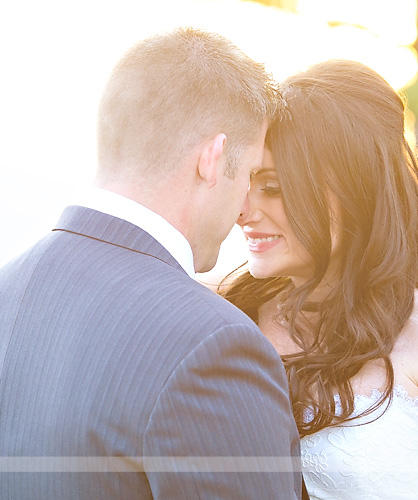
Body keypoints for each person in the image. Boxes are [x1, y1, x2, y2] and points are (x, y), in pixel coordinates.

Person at [0, 28, 304, 499]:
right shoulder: (212, 346)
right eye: (248, 175)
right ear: (212, 158)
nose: (245, 206)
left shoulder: (7, 288)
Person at [223, 60, 418, 499]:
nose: (243, 211)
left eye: (273, 187)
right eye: (247, 183)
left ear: (352, 190)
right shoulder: (229, 319)